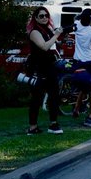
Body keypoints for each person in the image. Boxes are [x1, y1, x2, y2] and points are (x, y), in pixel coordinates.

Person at [25, 7, 65, 135]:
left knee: (54, 95)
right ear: (35, 18)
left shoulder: (47, 29)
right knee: (36, 98)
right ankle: (32, 127)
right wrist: (56, 35)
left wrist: (60, 36)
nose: (44, 18)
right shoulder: (34, 32)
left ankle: (53, 124)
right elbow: (44, 46)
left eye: (46, 15)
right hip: (38, 68)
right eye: (41, 16)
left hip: (50, 66)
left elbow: (54, 44)